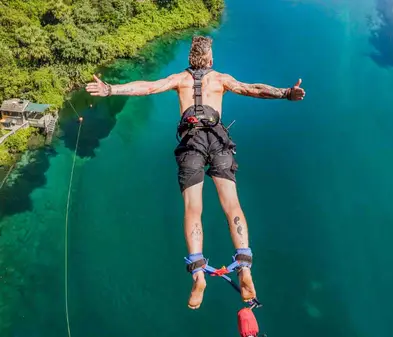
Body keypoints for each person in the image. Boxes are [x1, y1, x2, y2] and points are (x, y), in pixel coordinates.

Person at [85, 35, 306, 309]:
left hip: (192, 143)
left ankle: (198, 273)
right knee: (232, 204)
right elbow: (253, 89)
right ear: (210, 60)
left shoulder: (180, 79)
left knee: (193, 208)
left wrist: (110, 90)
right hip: (218, 140)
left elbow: (148, 88)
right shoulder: (221, 79)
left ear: (190, 59)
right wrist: (285, 93)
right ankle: (245, 267)